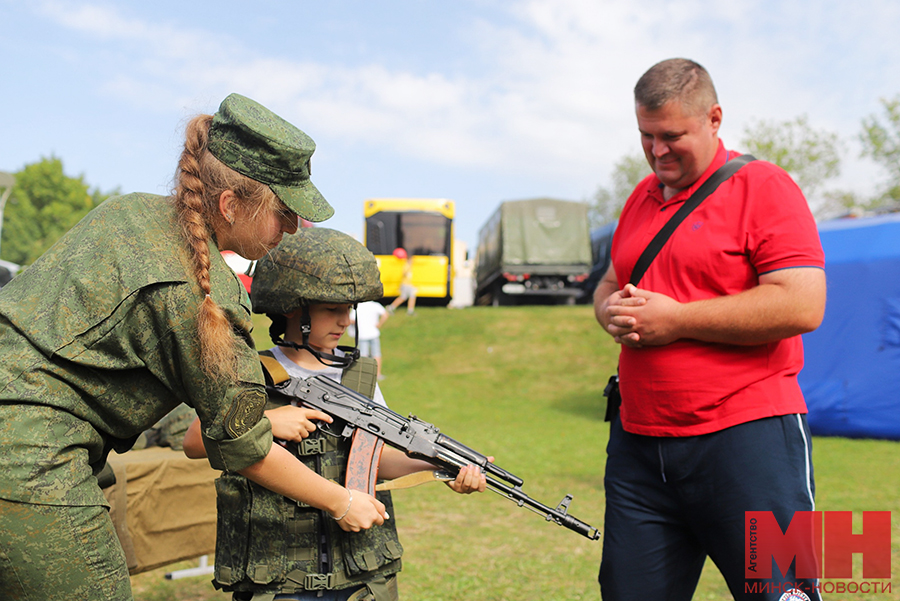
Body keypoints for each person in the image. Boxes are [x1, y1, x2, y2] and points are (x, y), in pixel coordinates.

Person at [0, 93, 389, 601]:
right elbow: (246, 450)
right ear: (230, 205)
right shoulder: (203, 295)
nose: (293, 228)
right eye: (284, 212)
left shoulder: (129, 213)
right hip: (28, 456)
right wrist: (341, 503)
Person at [593, 59, 826, 601]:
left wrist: (675, 319)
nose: (657, 151)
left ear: (714, 118)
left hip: (749, 440)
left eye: (672, 135)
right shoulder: (639, 197)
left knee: (785, 595)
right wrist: (609, 313)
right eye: (646, 136)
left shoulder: (765, 185)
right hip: (639, 446)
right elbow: (608, 284)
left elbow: (804, 304)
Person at [183, 227, 486, 601]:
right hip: (277, 576)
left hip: (358, 573)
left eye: (348, 310)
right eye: (332, 309)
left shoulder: (358, 378)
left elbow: (376, 460)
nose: (345, 321)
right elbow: (195, 441)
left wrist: (437, 467)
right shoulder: (252, 373)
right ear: (293, 308)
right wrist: (266, 424)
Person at [351, 300, 389, 379]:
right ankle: (378, 374)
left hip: (362, 334)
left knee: (363, 355)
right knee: (376, 354)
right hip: (374, 333)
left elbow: (351, 319)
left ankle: (365, 374)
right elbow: (385, 314)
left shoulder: (358, 306)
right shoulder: (375, 305)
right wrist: (379, 324)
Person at [387, 248, 416, 315]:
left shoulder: (408, 265)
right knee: (406, 297)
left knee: (410, 296)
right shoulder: (406, 265)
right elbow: (404, 273)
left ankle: (409, 311)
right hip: (406, 285)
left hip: (408, 284)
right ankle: (391, 307)